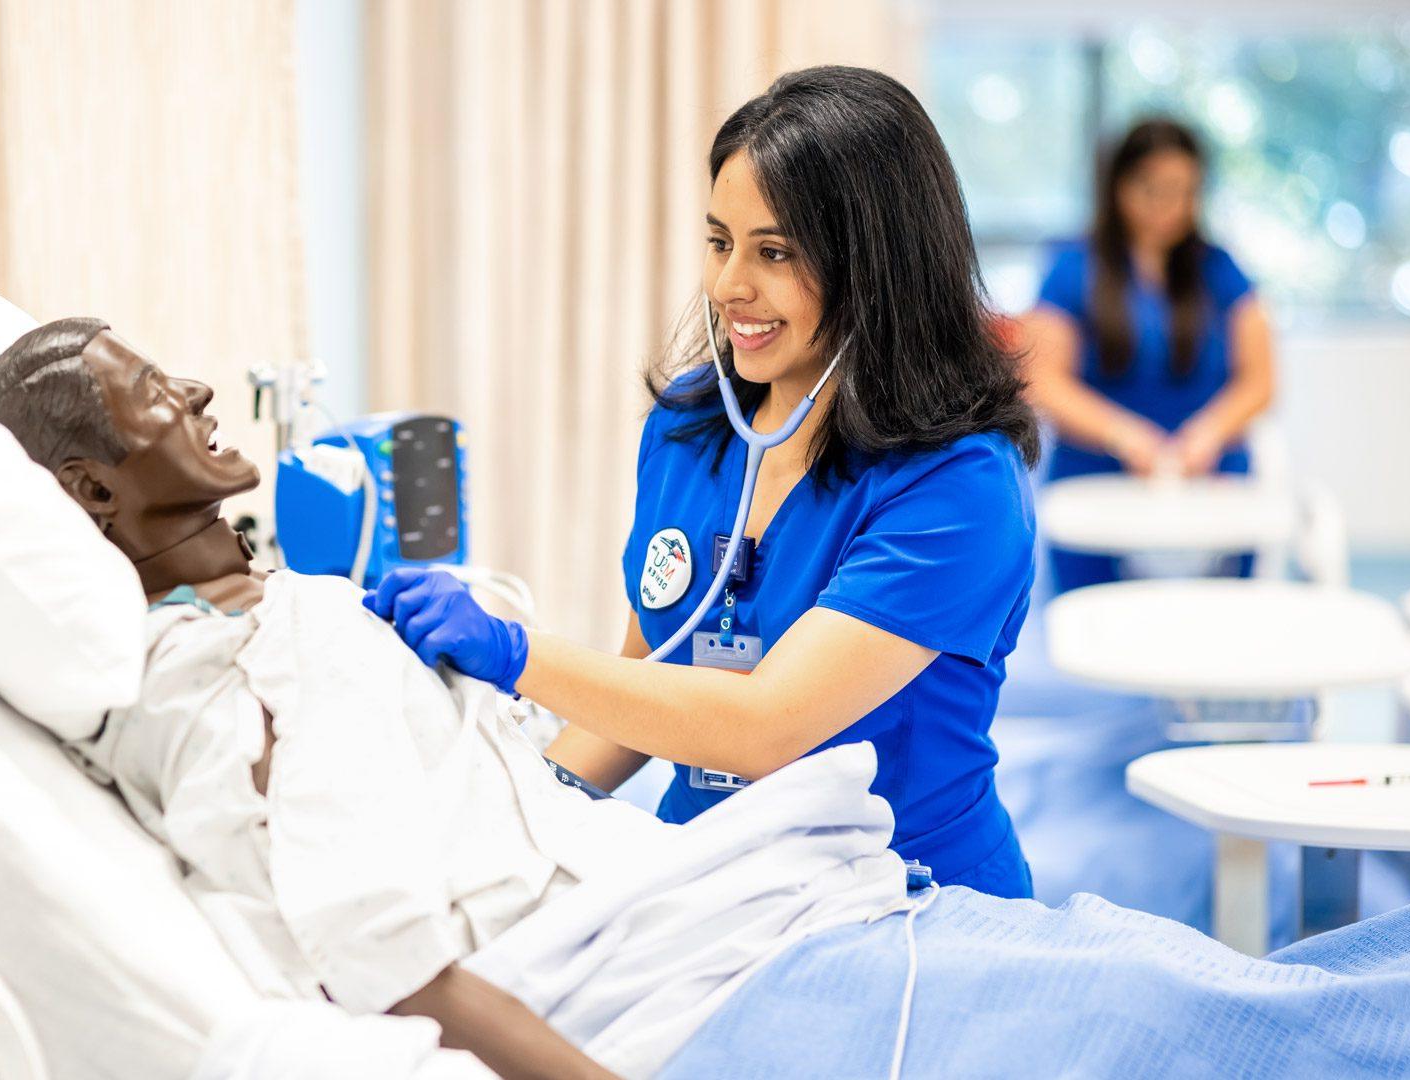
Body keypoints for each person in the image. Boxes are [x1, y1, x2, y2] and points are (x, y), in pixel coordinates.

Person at [0, 319, 918, 1079]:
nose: (199, 391)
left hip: (732, 901)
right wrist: (512, 660)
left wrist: (502, 673)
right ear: (93, 488)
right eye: (152, 393)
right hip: (678, 967)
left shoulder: (310, 605)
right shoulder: (227, 670)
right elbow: (380, 949)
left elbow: (505, 783)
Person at [362, 66, 1042, 899]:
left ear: (878, 267)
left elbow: (764, 727)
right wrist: (521, 817)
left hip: (903, 904)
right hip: (707, 887)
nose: (729, 287)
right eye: (720, 242)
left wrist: (513, 653)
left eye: (775, 252)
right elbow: (654, 677)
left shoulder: (958, 486)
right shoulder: (691, 428)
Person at [1018, 118, 1276, 592]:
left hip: (1208, 480)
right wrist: (1125, 435)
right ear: (1119, 185)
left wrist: (1207, 433)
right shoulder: (1072, 269)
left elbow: (1260, 382)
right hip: (1096, 480)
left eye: (1183, 191)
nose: (1169, 208)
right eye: (1154, 190)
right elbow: (1042, 379)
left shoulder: (1220, 270)